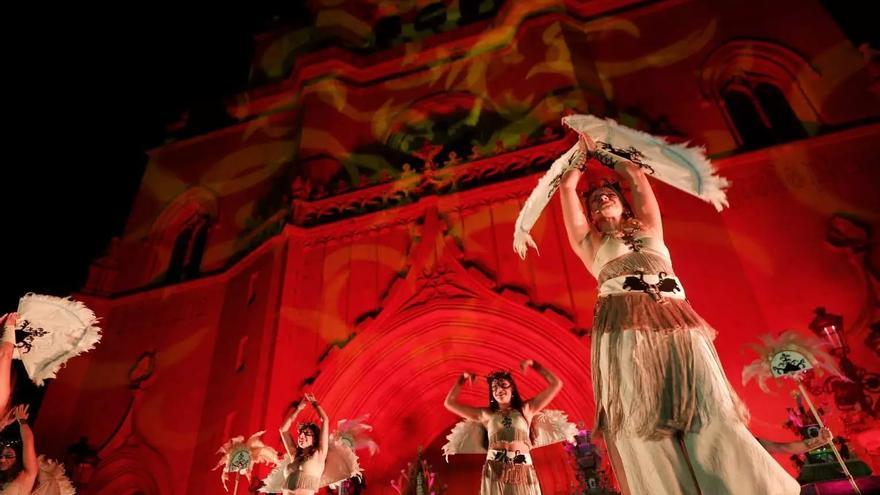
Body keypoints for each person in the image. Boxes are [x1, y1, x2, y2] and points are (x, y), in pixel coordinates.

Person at [556, 129, 801, 494]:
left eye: (607, 194)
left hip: (676, 320)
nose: (600, 198)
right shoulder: (589, 242)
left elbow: (636, 177)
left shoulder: (651, 229)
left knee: (708, 407)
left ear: (623, 204)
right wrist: (580, 153)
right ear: (590, 214)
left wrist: (605, 149)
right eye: (594, 200)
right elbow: (566, 189)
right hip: (624, 325)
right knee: (646, 421)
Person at [443, 359, 574, 495]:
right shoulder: (485, 414)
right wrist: (462, 379)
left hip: (522, 469)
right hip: (495, 470)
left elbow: (556, 384)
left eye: (503, 385)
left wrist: (535, 365)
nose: (499, 390)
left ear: (512, 388)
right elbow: (449, 403)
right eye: (494, 388)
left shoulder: (526, 409)